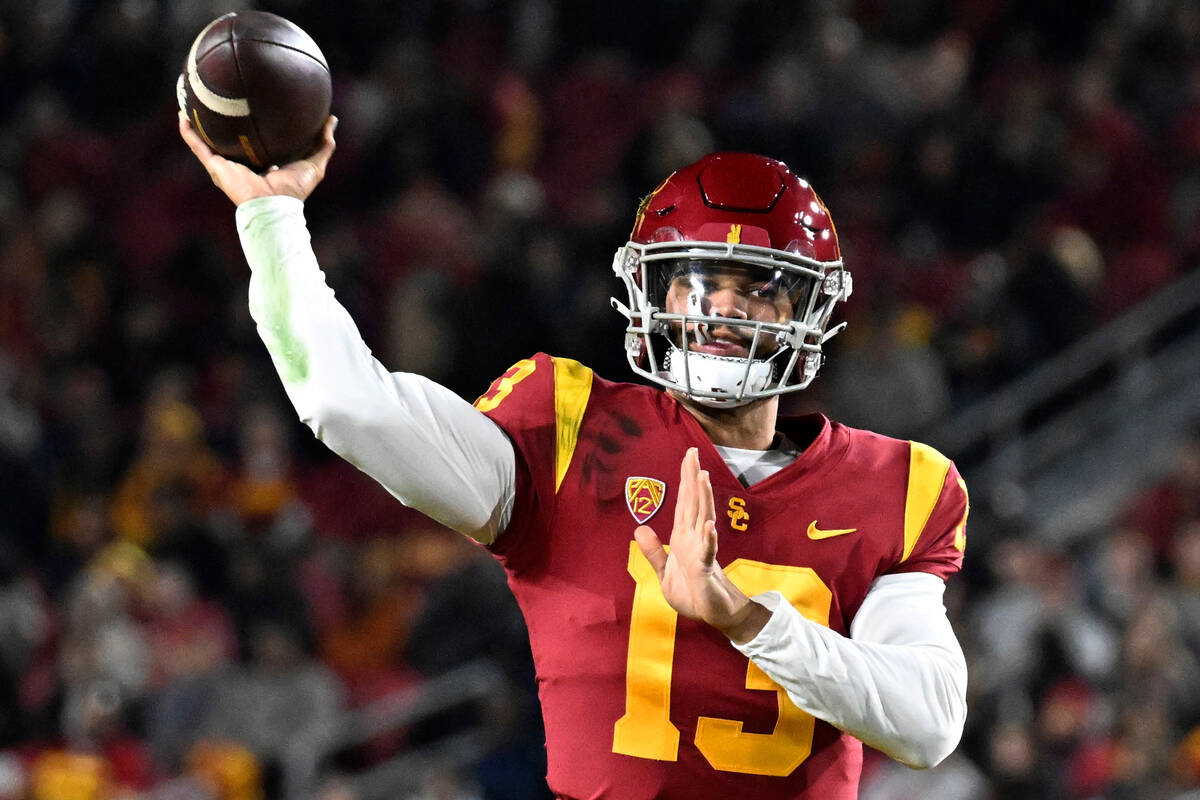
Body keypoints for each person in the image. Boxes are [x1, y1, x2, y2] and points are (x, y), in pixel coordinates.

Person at [179, 111, 969, 799]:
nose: (725, 307)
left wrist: (749, 621)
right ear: (655, 298)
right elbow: (349, 404)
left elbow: (928, 725)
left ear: (811, 308)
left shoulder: (897, 486)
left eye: (759, 287)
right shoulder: (568, 431)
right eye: (698, 284)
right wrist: (274, 221)